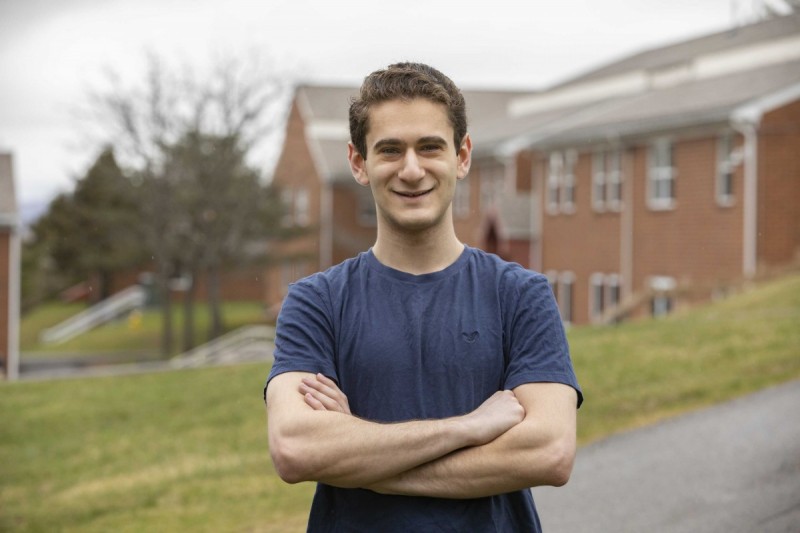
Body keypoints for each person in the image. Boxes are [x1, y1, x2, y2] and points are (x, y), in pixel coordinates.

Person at [264, 62, 583, 532]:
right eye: (390, 150)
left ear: (462, 155)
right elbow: (296, 448)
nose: (411, 170)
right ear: (358, 162)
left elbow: (549, 452)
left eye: (430, 147)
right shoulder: (317, 302)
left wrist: (361, 454)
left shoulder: (520, 295)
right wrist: (470, 427)